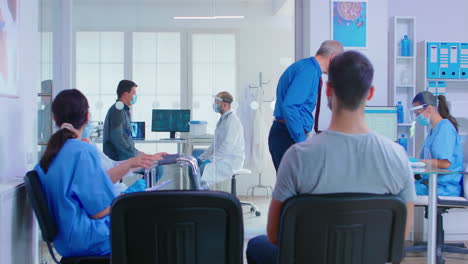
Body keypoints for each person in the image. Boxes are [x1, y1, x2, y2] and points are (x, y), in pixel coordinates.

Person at [246, 51, 416, 264]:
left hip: (311, 257)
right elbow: (399, 236)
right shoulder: (397, 158)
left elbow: (275, 235)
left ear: (327, 90)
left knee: (257, 245)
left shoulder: (297, 157)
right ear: (370, 93)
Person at [35, 89, 164, 257]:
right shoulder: (82, 151)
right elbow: (99, 211)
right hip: (87, 238)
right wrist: (128, 197)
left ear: (54, 118)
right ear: (87, 117)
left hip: (65, 241)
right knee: (155, 226)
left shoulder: (49, 156)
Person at [268, 40, 344, 171]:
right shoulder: (309, 72)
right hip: (288, 135)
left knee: (294, 187)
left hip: (287, 133)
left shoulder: (306, 67)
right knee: (294, 188)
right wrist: (301, 141)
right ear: (333, 58)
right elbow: (290, 106)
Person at [410, 91, 464, 196]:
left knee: (402, 191)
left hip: (444, 188)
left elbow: (445, 163)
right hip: (431, 184)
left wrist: (418, 161)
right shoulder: (433, 130)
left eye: (418, 113)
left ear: (429, 109)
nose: (417, 117)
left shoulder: (445, 128)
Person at [197, 91, 245, 187]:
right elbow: (213, 146)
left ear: (224, 105)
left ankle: (204, 197)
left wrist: (210, 160)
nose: (214, 105)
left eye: (216, 103)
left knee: (202, 170)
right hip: (222, 158)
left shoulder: (233, 121)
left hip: (231, 160)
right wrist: (200, 159)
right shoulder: (222, 120)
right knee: (197, 168)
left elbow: (227, 147)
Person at [103, 79, 142, 161]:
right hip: (119, 160)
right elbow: (118, 139)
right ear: (125, 94)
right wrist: (135, 156)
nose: (135, 96)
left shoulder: (123, 111)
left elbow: (126, 139)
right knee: (159, 168)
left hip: (125, 158)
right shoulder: (118, 111)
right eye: (133, 93)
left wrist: (142, 155)